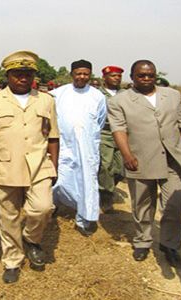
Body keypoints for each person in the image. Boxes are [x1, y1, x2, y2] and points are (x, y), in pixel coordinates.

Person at [0, 50, 59, 284]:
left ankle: (32, 239)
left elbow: (53, 136)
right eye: (17, 74)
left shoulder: (46, 100)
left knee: (42, 209)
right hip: (3, 167)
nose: (23, 78)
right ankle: (12, 259)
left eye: (27, 74)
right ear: (8, 76)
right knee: (7, 217)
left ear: (33, 76)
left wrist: (55, 164)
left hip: (39, 165)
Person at [108, 60, 181, 266]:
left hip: (173, 159)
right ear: (133, 77)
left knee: (175, 204)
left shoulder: (172, 95)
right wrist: (127, 155)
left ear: (156, 76)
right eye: (141, 76)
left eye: (150, 75)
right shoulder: (120, 101)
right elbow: (119, 130)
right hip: (140, 158)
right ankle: (142, 242)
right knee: (142, 205)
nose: (146, 79)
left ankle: (170, 244)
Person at [50, 59, 107, 236]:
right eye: (78, 74)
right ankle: (52, 207)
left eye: (86, 74)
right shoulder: (58, 94)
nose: (82, 77)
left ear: (90, 75)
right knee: (59, 177)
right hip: (64, 145)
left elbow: (100, 120)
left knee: (86, 182)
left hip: (87, 147)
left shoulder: (98, 96)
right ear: (71, 74)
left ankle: (84, 219)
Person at [98, 65, 126, 213]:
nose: (116, 78)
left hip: (123, 134)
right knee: (105, 166)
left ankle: (107, 186)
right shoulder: (98, 94)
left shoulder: (126, 94)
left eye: (118, 76)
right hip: (105, 133)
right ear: (105, 78)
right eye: (113, 76)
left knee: (121, 170)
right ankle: (106, 197)